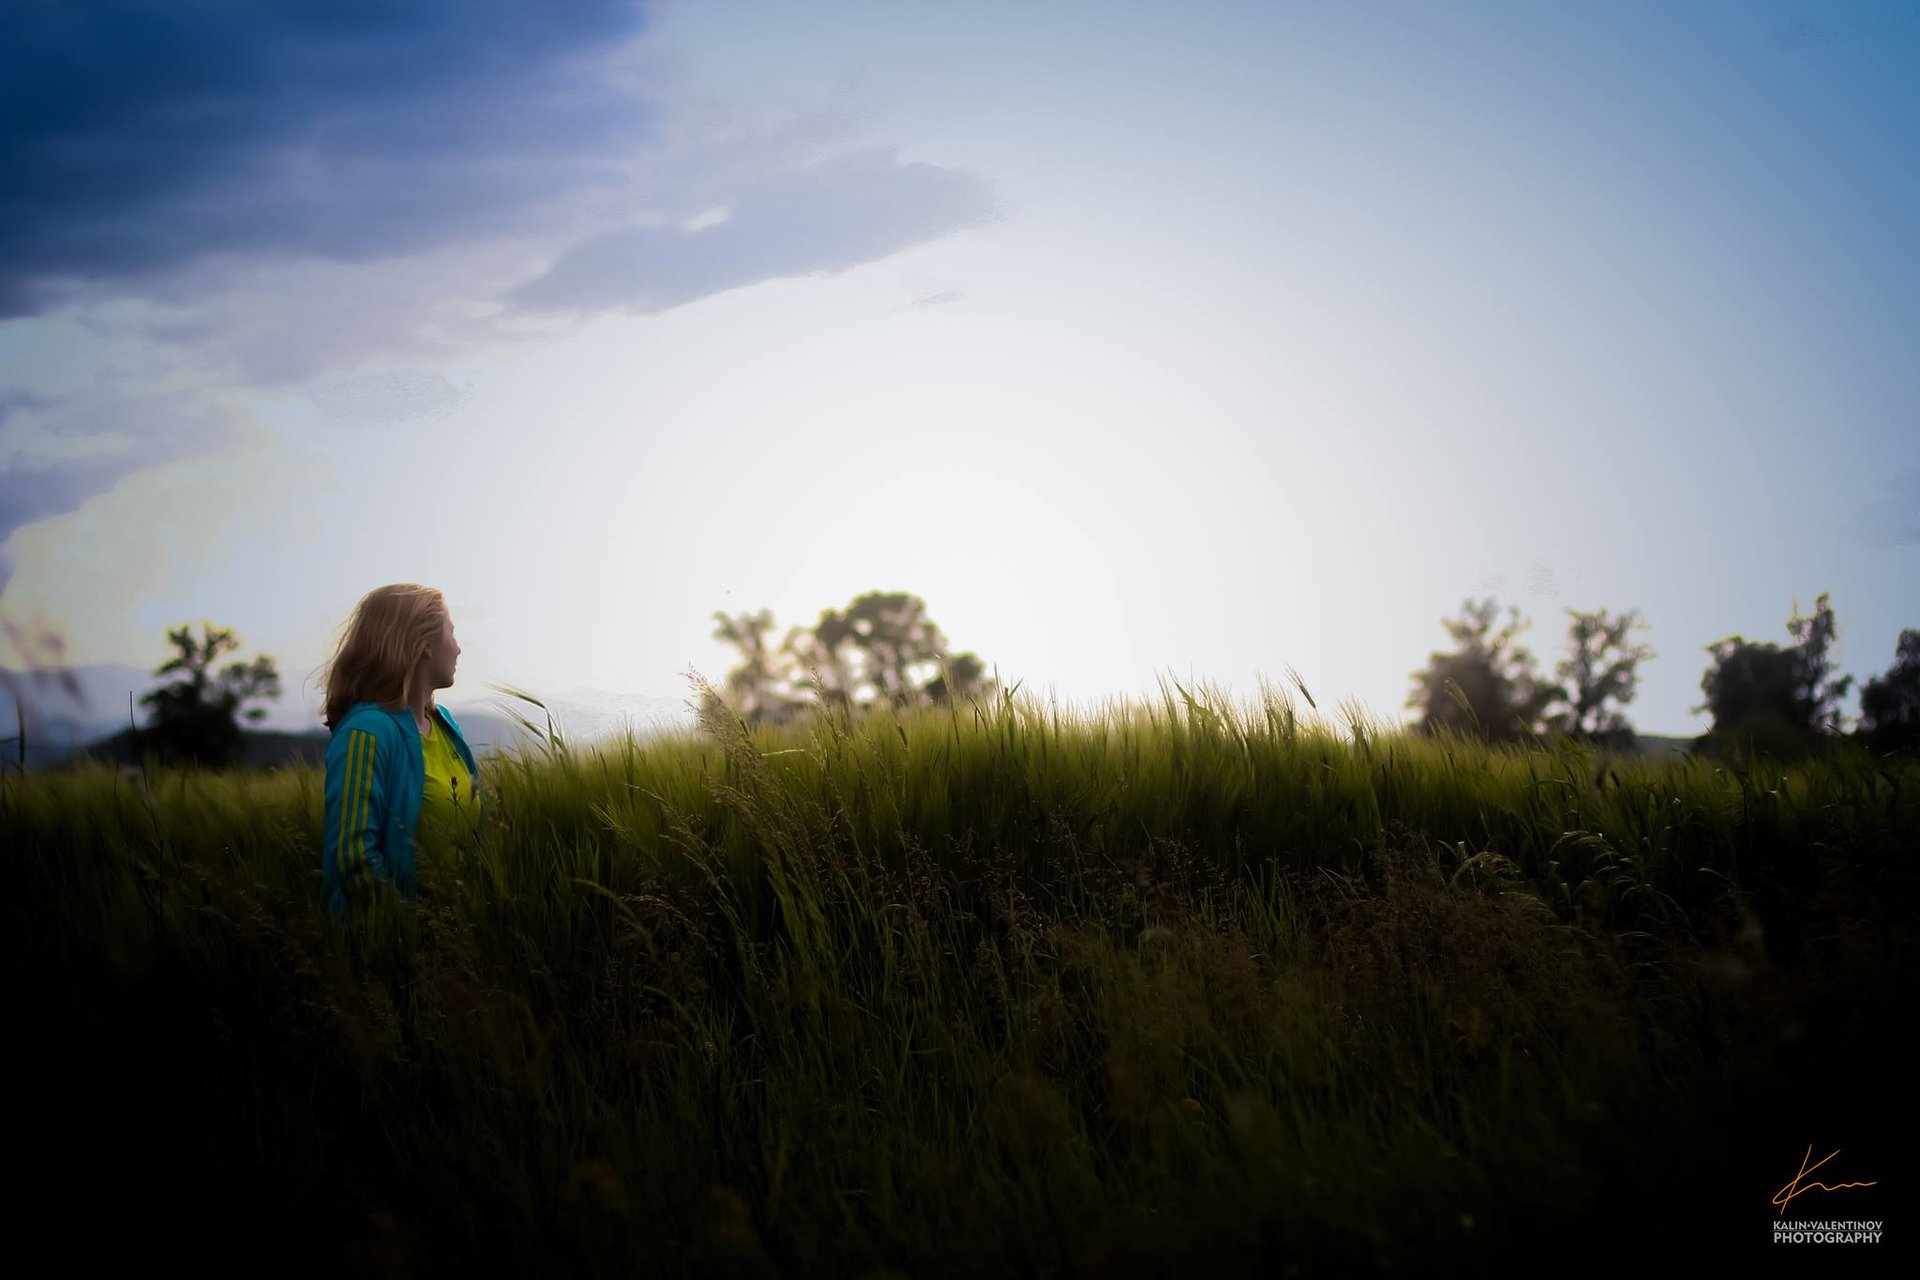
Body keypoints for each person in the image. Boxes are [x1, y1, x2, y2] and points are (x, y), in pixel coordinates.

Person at [319, 583, 485, 923]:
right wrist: (414, 931)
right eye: (451, 632)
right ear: (424, 643)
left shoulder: (444, 724)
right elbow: (354, 857)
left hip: (456, 935)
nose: (458, 648)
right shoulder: (366, 732)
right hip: (391, 942)